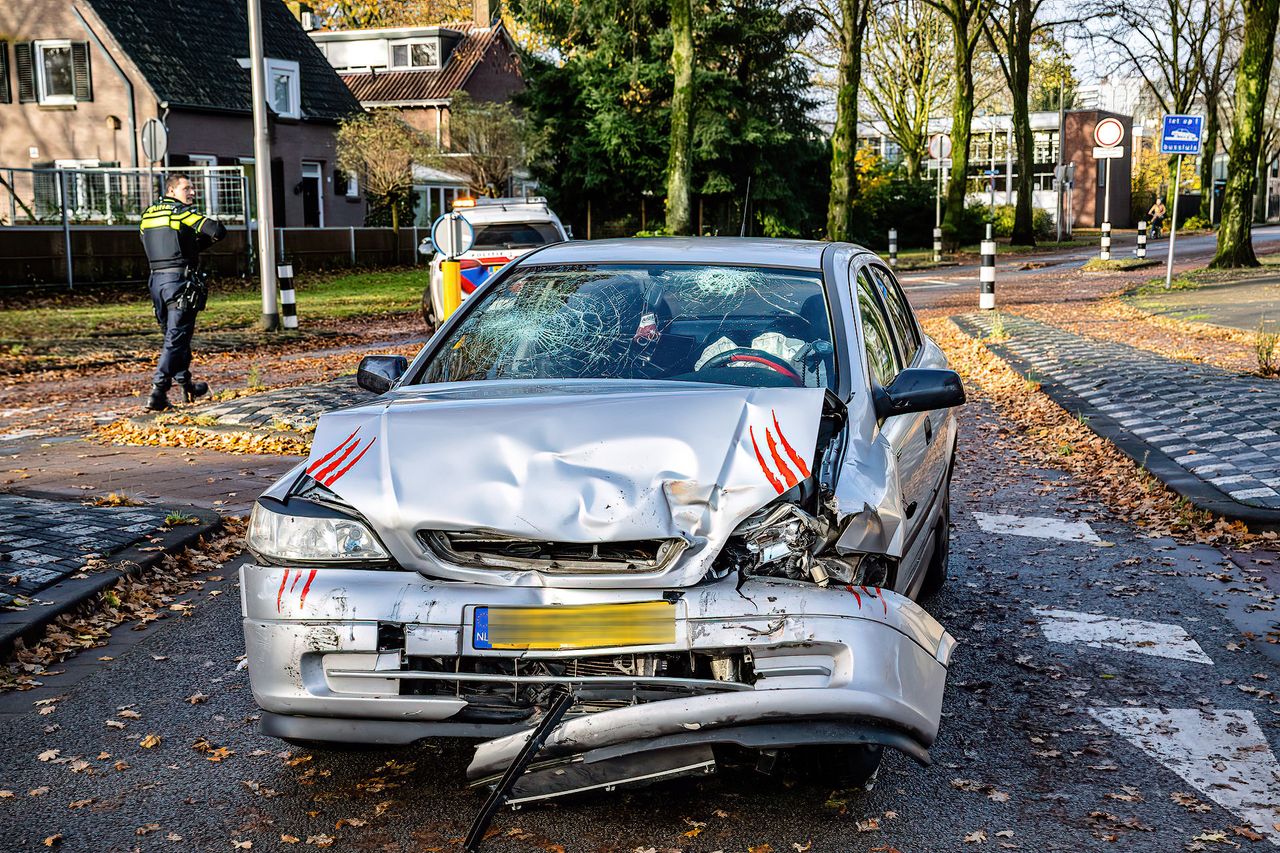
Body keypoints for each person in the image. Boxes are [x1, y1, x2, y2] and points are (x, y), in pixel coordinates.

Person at [138, 175, 226, 411]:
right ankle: (158, 391)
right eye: (186, 188)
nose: (192, 192)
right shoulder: (180, 212)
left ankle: (186, 385)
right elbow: (216, 229)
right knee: (176, 338)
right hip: (179, 281)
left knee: (173, 337)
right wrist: (204, 242)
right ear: (172, 190)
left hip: (156, 281)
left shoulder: (147, 215)